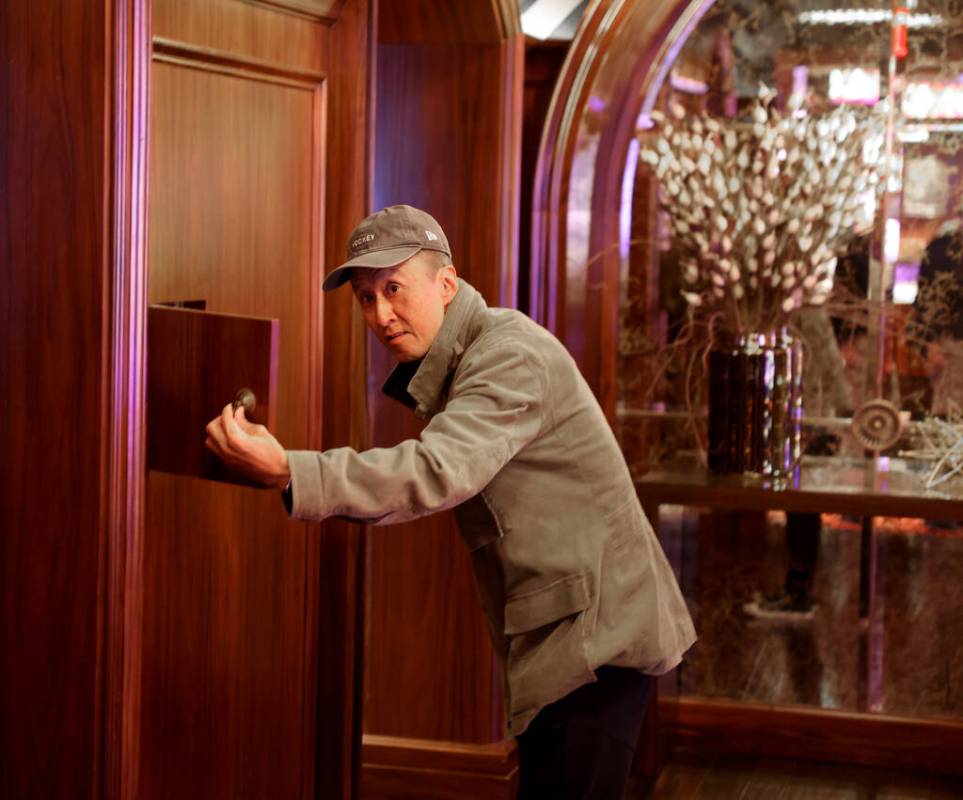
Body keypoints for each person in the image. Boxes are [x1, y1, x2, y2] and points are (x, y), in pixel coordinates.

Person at [205, 204, 696, 798]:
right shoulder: (476, 353)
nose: (381, 314)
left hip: (597, 634)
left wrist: (290, 471)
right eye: (366, 298)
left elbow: (435, 470)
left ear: (446, 283)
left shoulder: (509, 354)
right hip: (574, 630)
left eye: (393, 288)